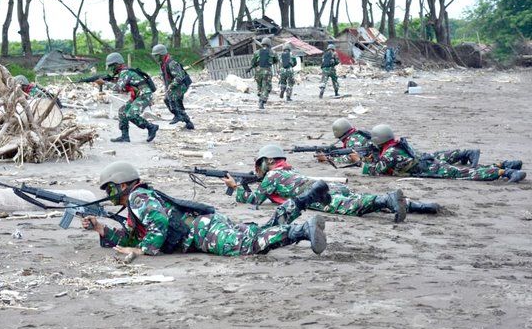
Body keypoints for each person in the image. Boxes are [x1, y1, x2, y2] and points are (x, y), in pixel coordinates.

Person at [82, 161, 332, 257]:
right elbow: (131, 236)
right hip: (205, 224)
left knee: (247, 245)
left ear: (123, 184)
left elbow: (158, 222)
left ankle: (302, 230)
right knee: (264, 229)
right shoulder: (136, 202)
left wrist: (143, 251)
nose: (108, 194)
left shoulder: (138, 198)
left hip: (201, 232)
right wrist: (101, 229)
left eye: (110, 188)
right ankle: (308, 198)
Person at [222, 144, 442, 222]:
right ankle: (417, 205)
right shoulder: (289, 170)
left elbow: (256, 200)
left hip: (319, 195)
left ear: (269, 161)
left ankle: (389, 199)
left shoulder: (272, 177)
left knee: (356, 207)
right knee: (359, 200)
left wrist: (236, 189)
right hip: (328, 186)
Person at [362, 124, 526, 183]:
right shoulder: (395, 144)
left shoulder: (390, 153)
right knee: (464, 171)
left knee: (465, 174)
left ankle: (505, 172)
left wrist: (364, 162)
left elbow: (376, 171)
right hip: (427, 163)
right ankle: (503, 165)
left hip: (427, 168)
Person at [318, 118, 483, 168]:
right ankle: (464, 153)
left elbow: (352, 158)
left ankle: (466, 153)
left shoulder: (354, 140)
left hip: (392, 155)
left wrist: (330, 159)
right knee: (431, 156)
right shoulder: (355, 135)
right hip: (393, 150)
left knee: (429, 158)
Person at [99, 52, 159, 143]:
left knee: (131, 114)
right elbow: (124, 88)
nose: (111, 69)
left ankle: (151, 127)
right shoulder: (123, 72)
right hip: (138, 95)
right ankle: (125, 136)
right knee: (122, 111)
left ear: (117, 64)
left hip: (145, 95)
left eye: (112, 66)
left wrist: (104, 83)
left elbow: (118, 88)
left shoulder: (125, 72)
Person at [151, 44, 194, 130]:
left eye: (157, 56)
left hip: (181, 84)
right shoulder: (163, 63)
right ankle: (188, 122)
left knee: (172, 98)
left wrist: (171, 85)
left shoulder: (171, 63)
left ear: (162, 55)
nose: (155, 58)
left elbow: (179, 77)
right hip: (175, 85)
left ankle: (178, 116)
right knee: (169, 100)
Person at [248, 37, 279, 109]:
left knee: (260, 86)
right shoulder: (273, 52)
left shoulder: (257, 52)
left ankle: (260, 96)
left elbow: (253, 63)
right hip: (267, 71)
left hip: (258, 71)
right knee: (267, 87)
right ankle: (262, 102)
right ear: (269, 44)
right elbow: (276, 60)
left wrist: (252, 67)